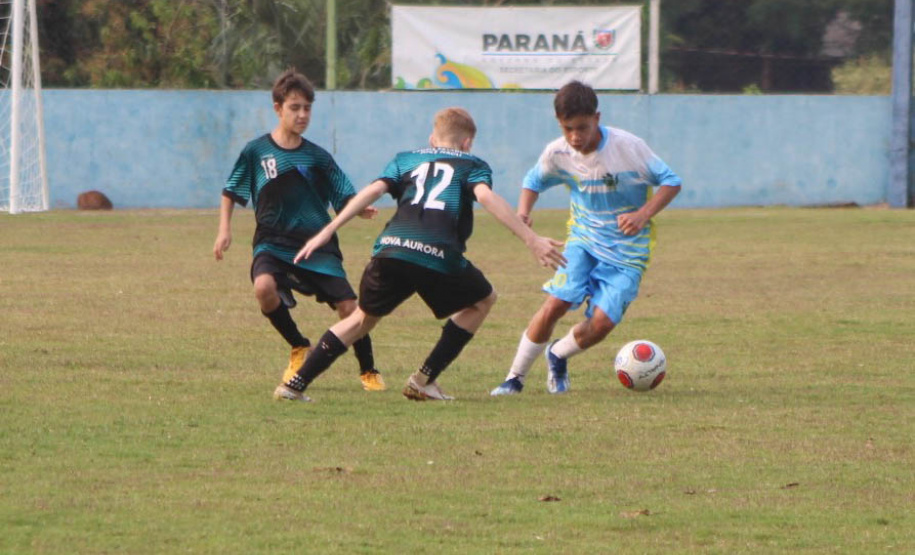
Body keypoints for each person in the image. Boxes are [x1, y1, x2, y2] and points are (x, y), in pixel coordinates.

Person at [272, 107, 566, 402]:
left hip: (390, 249)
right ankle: (424, 379)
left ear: (432, 140)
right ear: (467, 144)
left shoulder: (406, 159)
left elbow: (372, 191)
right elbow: (486, 197)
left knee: (361, 319)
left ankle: (294, 385)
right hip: (437, 254)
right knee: (482, 300)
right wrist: (531, 239)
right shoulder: (473, 164)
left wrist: (328, 228)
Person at [491, 80, 682, 396]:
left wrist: (642, 215)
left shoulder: (628, 147)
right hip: (583, 241)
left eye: (582, 127)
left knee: (603, 324)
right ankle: (514, 379)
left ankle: (558, 354)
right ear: (559, 124)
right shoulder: (558, 153)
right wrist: (524, 211)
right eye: (568, 129)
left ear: (597, 117)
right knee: (556, 303)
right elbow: (533, 180)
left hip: (627, 251)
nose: (575, 137)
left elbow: (671, 182)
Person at [213, 69, 386, 392]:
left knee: (350, 308)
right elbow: (230, 191)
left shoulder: (317, 157)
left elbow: (344, 193)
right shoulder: (257, 152)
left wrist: (359, 207)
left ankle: (368, 370)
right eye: (295, 107)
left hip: (316, 245)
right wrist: (225, 230)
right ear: (278, 108)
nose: (302, 114)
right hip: (272, 243)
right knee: (263, 287)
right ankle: (297, 344)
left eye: (307, 108)